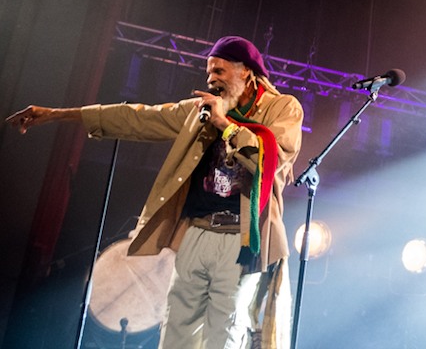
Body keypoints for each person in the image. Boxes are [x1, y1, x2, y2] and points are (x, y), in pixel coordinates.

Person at [6, 35, 304, 349]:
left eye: (219, 71)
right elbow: (137, 116)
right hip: (196, 233)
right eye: (209, 73)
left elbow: (270, 156)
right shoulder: (199, 110)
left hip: (242, 239)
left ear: (246, 71)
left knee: (225, 333)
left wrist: (223, 123)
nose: (211, 79)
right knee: (176, 331)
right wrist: (57, 114)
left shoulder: (282, 108)